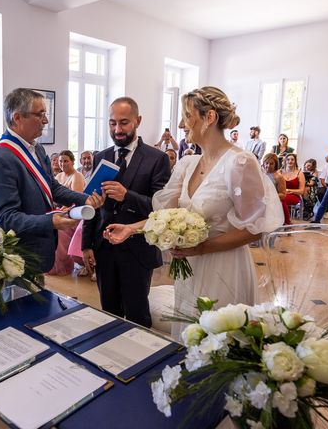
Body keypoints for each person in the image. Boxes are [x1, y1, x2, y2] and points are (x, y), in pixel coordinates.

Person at [104, 87, 283, 338]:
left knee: (220, 339)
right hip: (190, 266)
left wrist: (201, 248)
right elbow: (168, 213)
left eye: (187, 116)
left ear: (209, 117)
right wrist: (131, 228)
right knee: (190, 336)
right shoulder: (188, 163)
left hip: (224, 266)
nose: (181, 123)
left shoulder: (240, 162)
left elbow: (254, 229)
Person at [0, 88, 103, 273]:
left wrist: (84, 199)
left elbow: (52, 187)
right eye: (40, 115)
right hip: (18, 255)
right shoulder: (1, 158)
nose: (46, 121)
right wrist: (50, 222)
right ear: (17, 118)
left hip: (39, 249)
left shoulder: (36, 149)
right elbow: (5, 218)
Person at [82, 97, 171, 328]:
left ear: (138, 121)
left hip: (137, 249)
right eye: (112, 123)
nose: (117, 130)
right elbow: (91, 205)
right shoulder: (101, 156)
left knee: (137, 314)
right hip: (104, 248)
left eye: (124, 123)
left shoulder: (157, 159)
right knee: (108, 312)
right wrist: (86, 244)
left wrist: (127, 195)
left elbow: (161, 207)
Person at [50, 150, 86, 276]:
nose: (62, 164)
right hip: (61, 211)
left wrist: (61, 211)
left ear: (72, 162)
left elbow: (75, 200)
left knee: (60, 230)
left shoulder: (77, 176)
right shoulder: (58, 177)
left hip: (76, 213)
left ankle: (64, 265)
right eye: (60, 161)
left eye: (66, 161)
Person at [262, 153, 289, 224]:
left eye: (271, 164)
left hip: (274, 201)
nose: (268, 166)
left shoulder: (278, 177)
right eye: (266, 163)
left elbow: (283, 195)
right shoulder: (260, 174)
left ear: (275, 165)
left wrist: (270, 197)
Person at [280, 153, 305, 220]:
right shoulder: (280, 172)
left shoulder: (299, 173)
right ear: (285, 161)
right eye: (288, 159)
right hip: (282, 193)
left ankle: (286, 220)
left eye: (292, 159)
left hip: (294, 195)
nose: (290, 161)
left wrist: (289, 190)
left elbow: (301, 191)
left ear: (295, 161)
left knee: (282, 200)